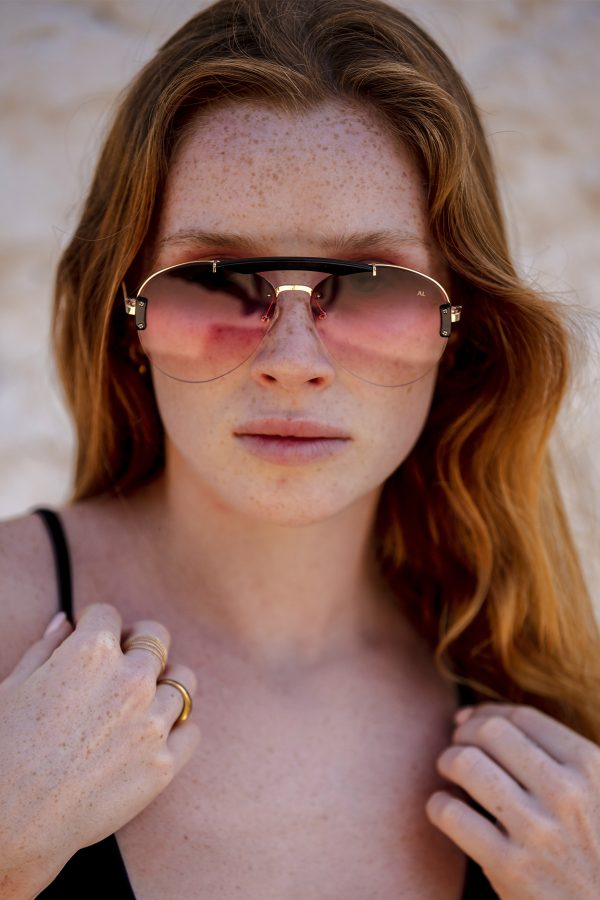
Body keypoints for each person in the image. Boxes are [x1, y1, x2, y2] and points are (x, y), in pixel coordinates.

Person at [1, 0, 599, 897]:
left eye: (372, 286)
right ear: (131, 320)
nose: (292, 361)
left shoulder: (545, 731)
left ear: (458, 329)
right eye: (215, 280)